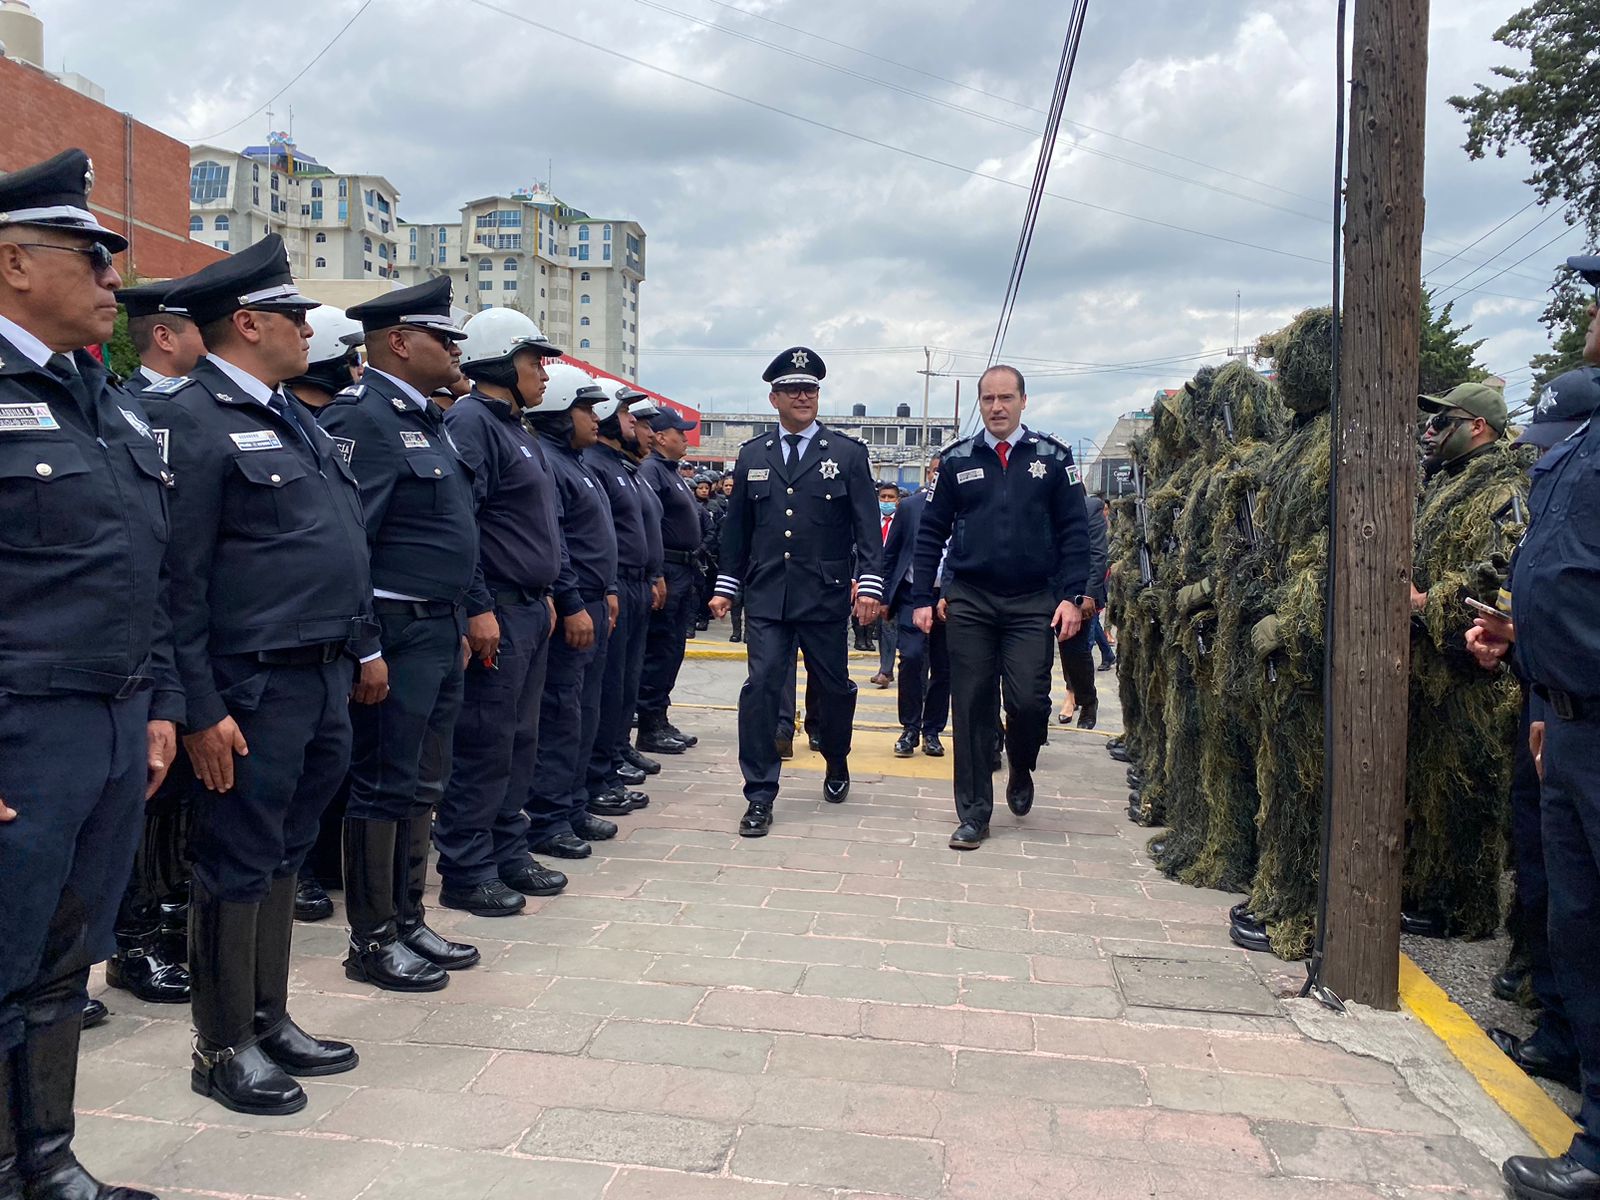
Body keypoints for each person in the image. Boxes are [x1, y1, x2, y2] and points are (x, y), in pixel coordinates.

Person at [147, 233, 369, 1117]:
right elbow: (177, 581)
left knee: (280, 852)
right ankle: (221, 1044)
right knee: (236, 860)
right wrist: (198, 707)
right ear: (246, 322)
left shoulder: (293, 414)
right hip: (250, 687)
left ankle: (268, 1016)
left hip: (319, 677)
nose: (308, 330)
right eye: (293, 317)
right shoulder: (191, 421)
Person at [0, 148, 177, 1200]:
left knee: (67, 957)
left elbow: (141, 566)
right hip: (19, 730)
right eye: (95, 258)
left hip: (109, 729)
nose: (115, 282)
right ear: (15, 264)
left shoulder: (105, 400)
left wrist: (153, 700)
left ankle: (50, 1161)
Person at [317, 277, 483, 986]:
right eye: (443, 338)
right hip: (397, 627)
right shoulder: (363, 419)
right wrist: (368, 644)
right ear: (398, 343)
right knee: (384, 784)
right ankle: (373, 937)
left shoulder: (427, 418)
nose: (453, 350)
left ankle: (410, 919)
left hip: (438, 627)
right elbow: (350, 540)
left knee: (422, 782)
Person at [1467, 367, 1600, 1102]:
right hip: (1554, 705)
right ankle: (1561, 1039)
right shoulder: (1571, 465)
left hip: (1581, 711)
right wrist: (1523, 648)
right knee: (1562, 898)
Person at [1498, 253, 1600, 1200]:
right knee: (1578, 922)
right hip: (1564, 715)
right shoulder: (1588, 442)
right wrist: (1535, 666)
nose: (1593, 318)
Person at [912, 364, 1089, 851]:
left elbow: (1075, 532)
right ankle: (973, 813)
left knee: (1029, 702)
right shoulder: (956, 461)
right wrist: (923, 598)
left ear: (1023, 401)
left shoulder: (1053, 459)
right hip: (970, 598)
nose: (996, 407)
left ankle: (1022, 764)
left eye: (1005, 398)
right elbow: (930, 532)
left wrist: (1073, 597)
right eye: (988, 399)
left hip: (1034, 601)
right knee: (969, 703)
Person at [709, 347, 883, 836]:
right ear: (774, 398)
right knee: (761, 688)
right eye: (792, 389)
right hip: (767, 596)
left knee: (832, 688)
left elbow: (868, 528)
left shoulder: (847, 455)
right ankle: (760, 793)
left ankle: (836, 757)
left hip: (824, 596)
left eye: (810, 389)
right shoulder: (752, 456)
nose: (802, 396)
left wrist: (869, 585)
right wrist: (727, 586)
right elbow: (736, 533)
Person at [433, 308, 570, 914]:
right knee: (485, 742)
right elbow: (460, 525)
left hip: (529, 610)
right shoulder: (471, 423)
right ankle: (467, 867)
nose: (543, 372)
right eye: (533, 359)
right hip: (499, 612)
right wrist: (478, 607)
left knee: (519, 739)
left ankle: (507, 849)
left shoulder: (517, 426)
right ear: (498, 359)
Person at [100, 279, 205, 1008]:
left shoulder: (131, 412)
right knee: (149, 806)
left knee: (172, 804)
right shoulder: (143, 409)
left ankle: (157, 928)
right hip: (116, 648)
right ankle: (133, 942)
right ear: (164, 335)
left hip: (166, 643)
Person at [1402, 380, 1528, 939]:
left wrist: (1431, 601)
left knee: (1468, 794)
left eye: (1442, 421)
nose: (1431, 431)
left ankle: (1466, 910)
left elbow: (1505, 570)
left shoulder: (1503, 488)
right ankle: (1432, 888)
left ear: (1478, 425)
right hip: (1434, 662)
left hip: (1476, 667)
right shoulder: (1446, 485)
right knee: (1433, 787)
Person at [282, 306, 366, 922]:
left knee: (329, 767)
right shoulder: (302, 423)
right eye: (353, 357)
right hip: (275, 645)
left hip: (334, 636)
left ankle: (318, 863)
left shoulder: (313, 428)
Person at [523, 364, 620, 860]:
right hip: (571, 604)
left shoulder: (576, 462)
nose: (595, 417)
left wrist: (606, 589)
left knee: (582, 710)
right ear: (559, 413)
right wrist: (574, 600)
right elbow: (558, 543)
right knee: (560, 714)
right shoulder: (552, 462)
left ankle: (570, 803)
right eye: (585, 408)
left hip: (592, 599)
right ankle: (547, 817)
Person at [585, 389, 662, 816]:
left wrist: (652, 575)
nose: (634, 423)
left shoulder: (623, 468)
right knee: (608, 686)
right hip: (611, 587)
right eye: (627, 415)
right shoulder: (596, 465)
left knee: (624, 683)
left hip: (632, 584)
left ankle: (612, 757)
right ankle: (601, 767)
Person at [636, 406, 702, 754]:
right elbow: (649, 526)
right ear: (661, 437)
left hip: (684, 570)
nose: (686, 438)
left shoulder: (670, 471)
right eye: (681, 432)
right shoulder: (652, 470)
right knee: (659, 649)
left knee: (673, 648)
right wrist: (656, 573)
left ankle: (659, 716)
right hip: (668, 569)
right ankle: (648, 723)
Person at [883, 459, 949, 757]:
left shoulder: (966, 508)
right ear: (929, 474)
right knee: (910, 658)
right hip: (911, 595)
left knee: (943, 666)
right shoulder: (910, 508)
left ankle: (932, 730)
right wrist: (883, 595)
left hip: (950, 600)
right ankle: (910, 727)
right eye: (936, 471)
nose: (939, 476)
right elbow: (892, 552)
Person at [1056, 491, 1111, 728]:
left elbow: (1098, 555)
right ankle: (1035, 722)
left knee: (1076, 654)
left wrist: (1086, 595)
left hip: (1077, 593)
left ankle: (1088, 701)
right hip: (1040, 594)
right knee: (1035, 662)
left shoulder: (1090, 508)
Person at [870, 481, 902, 688]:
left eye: (891, 497)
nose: (887, 501)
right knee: (881, 628)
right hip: (875, 578)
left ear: (898, 500)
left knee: (889, 623)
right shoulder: (874, 522)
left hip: (894, 580)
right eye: (884, 497)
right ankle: (884, 666)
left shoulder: (901, 521)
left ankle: (886, 670)